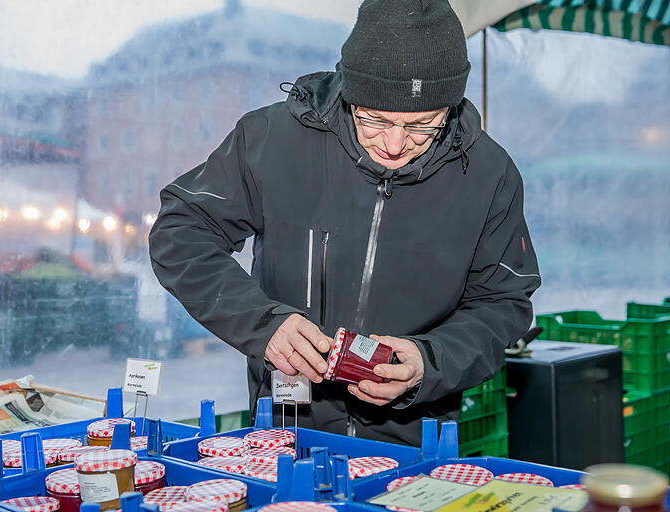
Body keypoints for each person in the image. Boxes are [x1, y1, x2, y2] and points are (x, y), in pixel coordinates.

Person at [149, 0, 541, 445]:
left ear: (449, 108)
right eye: (375, 119)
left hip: (411, 439)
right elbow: (181, 231)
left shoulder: (489, 176)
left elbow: (503, 303)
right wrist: (262, 323)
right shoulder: (274, 139)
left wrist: (428, 361)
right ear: (349, 90)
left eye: (421, 125)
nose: (394, 144)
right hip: (285, 429)